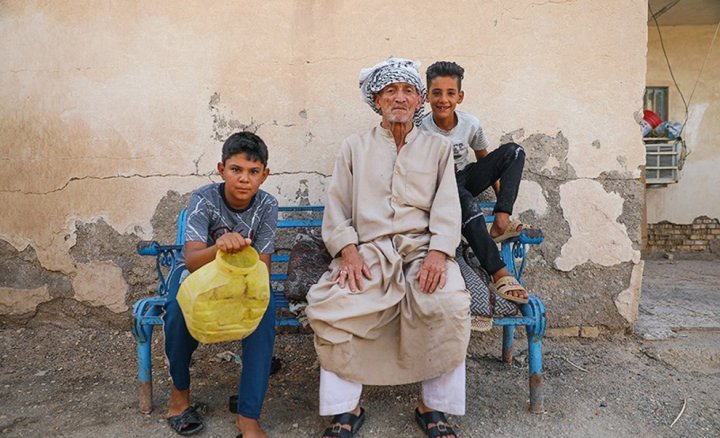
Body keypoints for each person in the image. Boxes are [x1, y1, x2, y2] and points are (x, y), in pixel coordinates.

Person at [306, 57, 469, 438]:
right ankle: (345, 409)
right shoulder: (354, 147)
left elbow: (449, 207)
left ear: (419, 101)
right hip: (368, 253)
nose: (399, 98)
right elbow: (337, 207)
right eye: (390, 91)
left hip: (421, 252)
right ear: (376, 100)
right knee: (334, 306)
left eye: (408, 91)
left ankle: (433, 407)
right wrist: (347, 251)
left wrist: (438, 254)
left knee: (448, 303)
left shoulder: (438, 148)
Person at [162, 132, 279, 437]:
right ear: (221, 169)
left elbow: (262, 267)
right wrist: (220, 247)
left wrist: (244, 283)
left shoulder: (267, 205)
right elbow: (191, 261)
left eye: (253, 172)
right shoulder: (205, 199)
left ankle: (248, 416)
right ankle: (179, 398)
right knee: (177, 311)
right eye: (236, 170)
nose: (244, 179)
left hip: (241, 281)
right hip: (197, 277)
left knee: (263, 314)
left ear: (264, 176)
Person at [421, 61, 529, 304]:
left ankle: (500, 224)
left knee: (514, 152)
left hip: (463, 179)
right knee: (466, 202)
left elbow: (486, 161)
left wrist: (504, 207)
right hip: (437, 189)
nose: (443, 100)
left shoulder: (470, 124)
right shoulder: (420, 128)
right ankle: (498, 272)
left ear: (460, 96)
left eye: (450, 93)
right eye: (436, 93)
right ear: (427, 96)